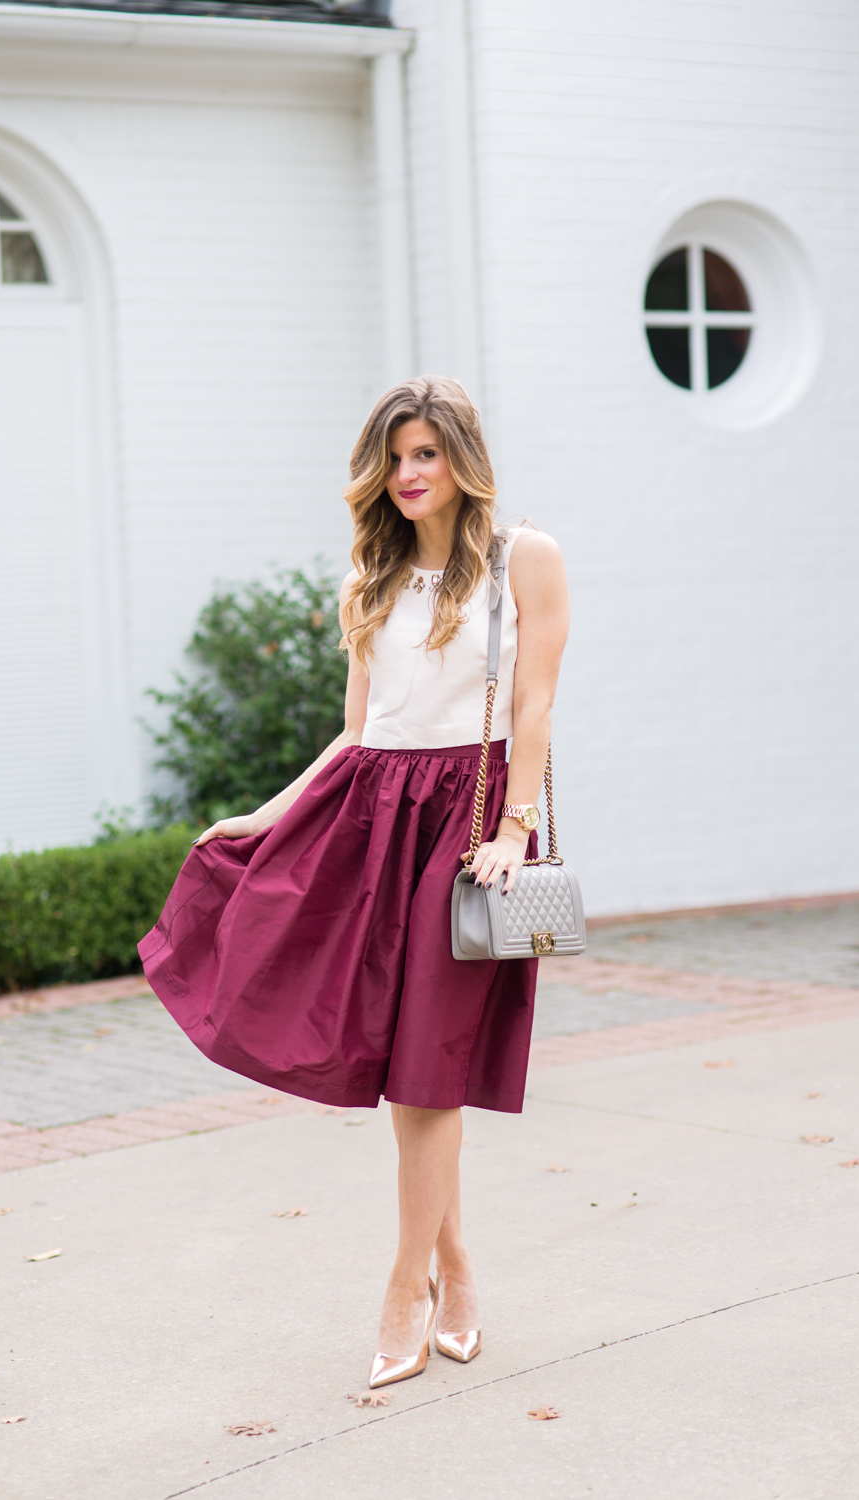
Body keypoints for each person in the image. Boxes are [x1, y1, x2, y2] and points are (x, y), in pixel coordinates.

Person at [139, 376, 569, 1388]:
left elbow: (539, 706)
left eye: (425, 453)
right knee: (402, 1065)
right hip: (372, 814)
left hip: (468, 828)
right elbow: (355, 730)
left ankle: (401, 1285)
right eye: (395, 457)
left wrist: (516, 829)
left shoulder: (525, 560)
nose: (409, 475)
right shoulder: (366, 580)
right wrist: (273, 810)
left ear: (461, 458)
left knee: (430, 1070)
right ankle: (455, 1272)